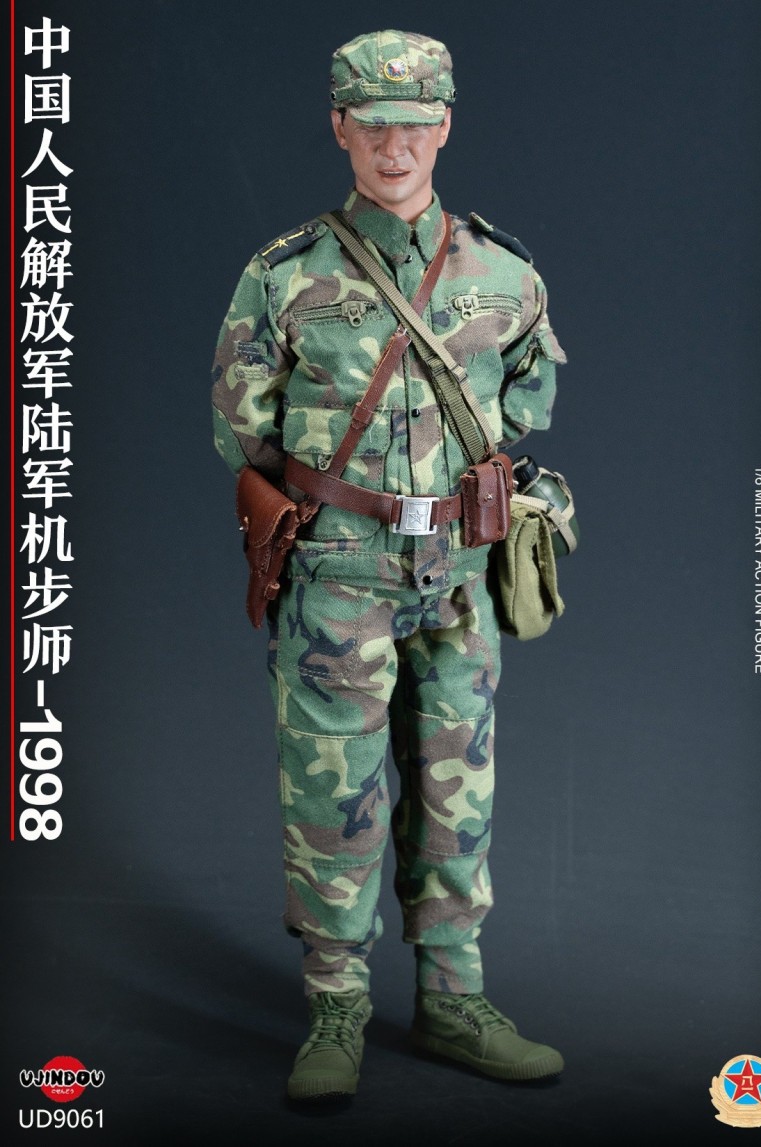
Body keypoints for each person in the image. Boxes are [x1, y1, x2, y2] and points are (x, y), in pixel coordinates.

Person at [211, 29, 567, 1101]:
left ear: (445, 125)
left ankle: (454, 999)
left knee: (458, 793)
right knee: (333, 800)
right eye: (372, 123)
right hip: (338, 579)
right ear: (339, 127)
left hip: (458, 577)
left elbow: (528, 409)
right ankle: (336, 1008)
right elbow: (242, 428)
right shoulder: (284, 276)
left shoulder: (504, 273)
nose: (394, 146)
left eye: (414, 123)